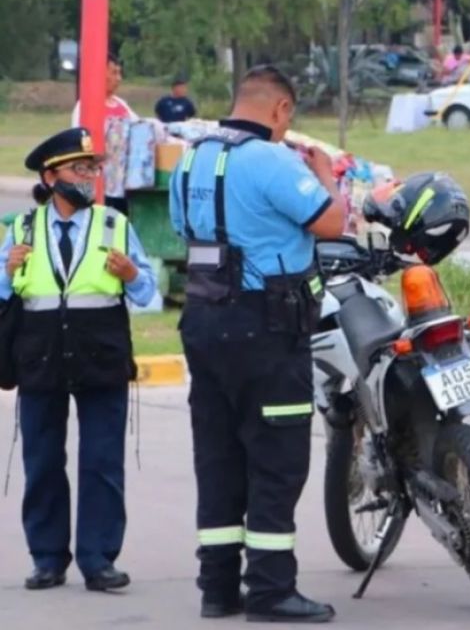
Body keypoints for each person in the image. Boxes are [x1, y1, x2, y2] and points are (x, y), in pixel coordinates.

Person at [168, 65, 346, 622]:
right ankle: (271, 591)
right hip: (266, 328)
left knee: (218, 456)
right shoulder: (274, 160)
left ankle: (217, 588)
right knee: (276, 460)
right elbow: (332, 223)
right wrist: (326, 177)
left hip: (202, 322)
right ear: (281, 111)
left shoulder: (192, 156)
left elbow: (182, 228)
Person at [0, 127, 156, 592]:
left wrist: (131, 274)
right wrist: (6, 272)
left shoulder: (115, 225)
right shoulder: (19, 228)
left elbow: (148, 293)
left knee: (102, 462)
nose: (88, 177)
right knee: (43, 460)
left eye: (93, 168)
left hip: (101, 356)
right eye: (79, 168)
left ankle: (98, 558)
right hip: (41, 358)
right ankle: (47, 558)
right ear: (50, 176)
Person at [71, 54, 138, 217]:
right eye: (114, 73)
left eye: (120, 73)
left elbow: (138, 128)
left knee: (120, 226)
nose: (118, 78)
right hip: (99, 180)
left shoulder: (122, 104)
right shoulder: (85, 106)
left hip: (122, 182)